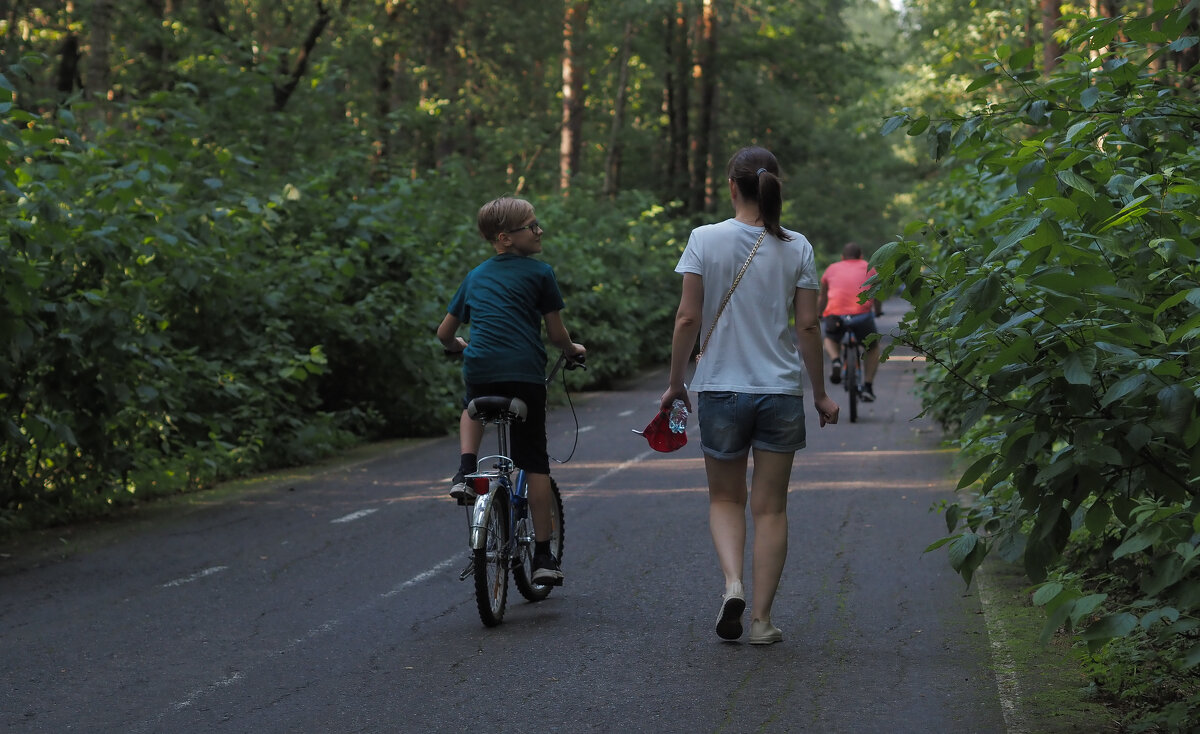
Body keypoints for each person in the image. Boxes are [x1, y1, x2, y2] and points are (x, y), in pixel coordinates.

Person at [660, 146, 839, 645]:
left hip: (719, 388)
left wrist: (677, 382)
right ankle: (761, 620)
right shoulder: (797, 245)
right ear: (774, 185)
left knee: (724, 497)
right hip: (778, 391)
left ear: (732, 187)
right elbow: (807, 325)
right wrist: (820, 393)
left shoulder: (704, 238)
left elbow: (687, 318)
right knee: (771, 508)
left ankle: (733, 584)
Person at [437, 196, 586, 586]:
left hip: (482, 370)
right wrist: (572, 351)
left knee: (472, 408)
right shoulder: (540, 274)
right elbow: (556, 335)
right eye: (531, 226)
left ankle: (466, 471)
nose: (540, 231)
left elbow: (445, 334)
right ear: (504, 238)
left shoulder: (475, 276)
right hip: (524, 375)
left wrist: (460, 348)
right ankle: (542, 555)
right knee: (534, 461)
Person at [818, 242, 883, 402]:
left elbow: (822, 297)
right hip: (862, 316)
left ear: (842, 257)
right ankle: (867, 386)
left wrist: (819, 313)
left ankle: (836, 360)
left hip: (836, 316)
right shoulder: (869, 267)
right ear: (860, 256)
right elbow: (877, 294)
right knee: (872, 347)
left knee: (829, 338)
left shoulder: (831, 269)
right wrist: (877, 310)